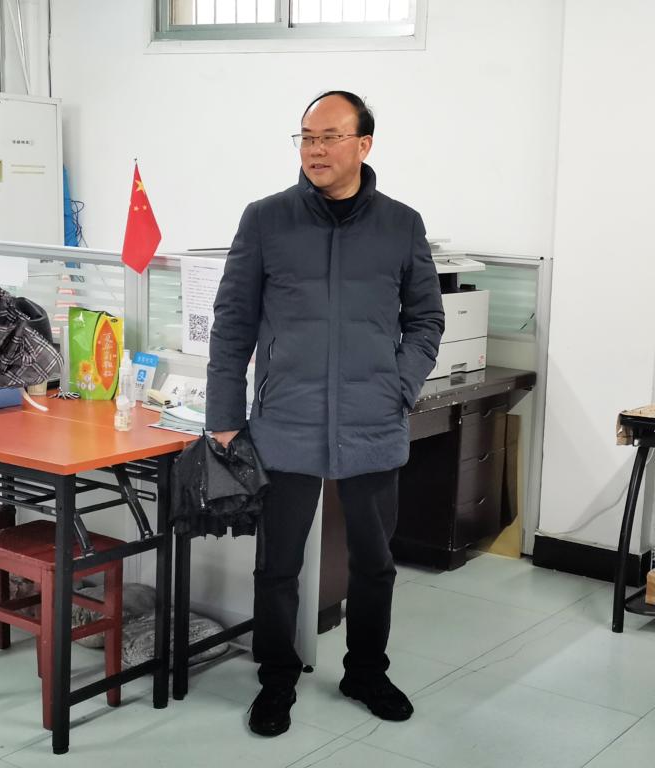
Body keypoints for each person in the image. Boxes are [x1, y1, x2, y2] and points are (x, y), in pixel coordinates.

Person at [205, 91, 444, 737]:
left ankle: (365, 671)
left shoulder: (401, 225)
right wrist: (224, 415)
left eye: (329, 137)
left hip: (373, 420)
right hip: (286, 419)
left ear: (363, 145)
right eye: (306, 137)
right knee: (278, 564)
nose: (314, 149)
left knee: (374, 562)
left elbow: (426, 319)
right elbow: (232, 323)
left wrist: (399, 385)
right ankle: (276, 678)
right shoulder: (265, 220)